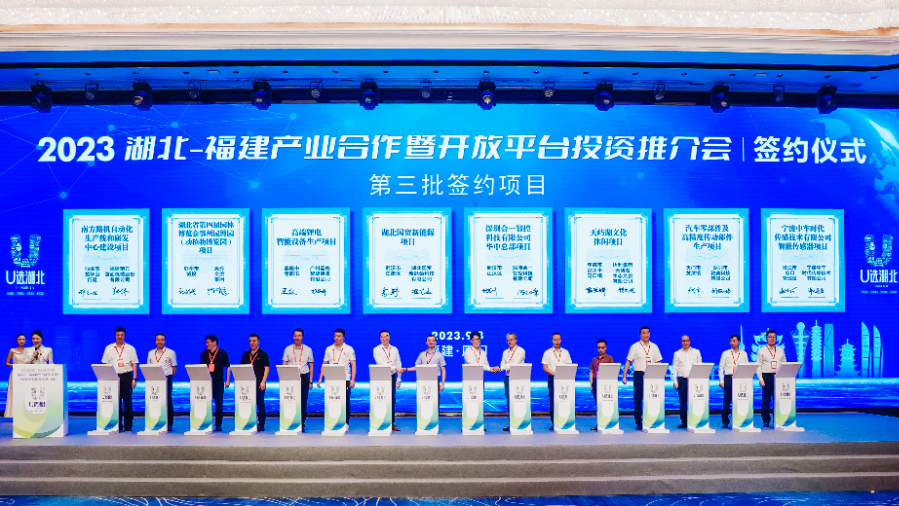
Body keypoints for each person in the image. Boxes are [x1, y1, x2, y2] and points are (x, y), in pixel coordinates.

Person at [623, 326, 662, 431]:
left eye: (648, 332)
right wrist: (624, 376)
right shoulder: (635, 347)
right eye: (644, 333)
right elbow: (628, 361)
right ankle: (638, 421)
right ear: (640, 335)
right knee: (638, 398)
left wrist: (659, 375)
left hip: (651, 375)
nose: (646, 335)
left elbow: (658, 362)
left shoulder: (654, 347)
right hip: (639, 374)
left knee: (652, 398)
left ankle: (651, 419)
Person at [101, 326, 139, 431]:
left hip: (127, 376)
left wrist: (134, 379)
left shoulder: (130, 348)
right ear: (115, 336)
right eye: (118, 335)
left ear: (124, 336)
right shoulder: (108, 348)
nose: (120, 337)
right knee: (115, 402)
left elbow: (134, 364)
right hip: (113, 377)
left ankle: (128, 425)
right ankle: (117, 424)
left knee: (127, 402)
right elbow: (105, 364)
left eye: (122, 335)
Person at [317, 328, 356, 426]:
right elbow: (324, 364)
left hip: (345, 379)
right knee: (332, 400)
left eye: (339, 336)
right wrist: (320, 378)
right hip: (331, 379)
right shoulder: (329, 349)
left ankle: (345, 423)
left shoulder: (349, 349)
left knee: (345, 401)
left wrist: (353, 379)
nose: (336, 338)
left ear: (343, 337)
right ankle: (332, 421)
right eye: (335, 336)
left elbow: (353, 364)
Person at [401, 334, 447, 414]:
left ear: (435, 342)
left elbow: (443, 370)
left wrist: (442, 384)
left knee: (435, 402)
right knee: (424, 401)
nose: (431, 342)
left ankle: (435, 419)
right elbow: (417, 367)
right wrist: (406, 369)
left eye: (432, 340)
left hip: (435, 380)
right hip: (423, 381)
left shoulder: (439, 355)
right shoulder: (422, 355)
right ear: (426, 342)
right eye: (429, 340)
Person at [491, 332, 525, 431]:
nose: (510, 342)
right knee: (510, 402)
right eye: (508, 340)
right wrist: (499, 368)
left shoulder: (520, 351)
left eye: (511, 340)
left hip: (518, 379)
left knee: (518, 401)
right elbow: (503, 363)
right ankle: (512, 424)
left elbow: (513, 364)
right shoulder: (505, 352)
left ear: (516, 340)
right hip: (508, 378)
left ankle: (520, 423)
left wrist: (499, 368)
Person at [282, 328, 314, 430]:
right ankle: (290, 421)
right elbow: (284, 363)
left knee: (303, 401)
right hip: (291, 377)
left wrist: (310, 381)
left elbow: (311, 366)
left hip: (303, 377)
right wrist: (284, 378)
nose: (297, 337)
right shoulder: (288, 349)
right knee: (291, 400)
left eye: (299, 336)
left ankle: (302, 423)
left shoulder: (308, 350)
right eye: (295, 335)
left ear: (302, 337)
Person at [372, 330, 402, 431]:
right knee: (381, 399)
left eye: (387, 336)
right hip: (380, 377)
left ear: (389, 337)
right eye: (383, 337)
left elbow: (398, 363)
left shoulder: (394, 349)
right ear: (380, 338)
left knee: (392, 400)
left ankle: (391, 423)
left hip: (392, 376)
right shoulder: (376, 349)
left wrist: (399, 378)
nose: (385, 338)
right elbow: (381, 364)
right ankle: (380, 422)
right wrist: (394, 368)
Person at [541, 332, 572, 431]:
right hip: (552, 378)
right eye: (555, 340)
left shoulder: (566, 352)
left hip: (564, 379)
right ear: (552, 341)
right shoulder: (547, 353)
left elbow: (569, 365)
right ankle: (554, 422)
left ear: (561, 340)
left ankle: (564, 421)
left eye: (558, 339)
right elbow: (545, 367)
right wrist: (555, 374)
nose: (557, 341)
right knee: (553, 400)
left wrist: (562, 375)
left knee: (564, 399)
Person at [757, 329, 787, 428]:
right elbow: (758, 366)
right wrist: (760, 379)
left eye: (774, 337)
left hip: (778, 377)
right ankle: (766, 420)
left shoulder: (780, 350)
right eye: (770, 337)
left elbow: (784, 364)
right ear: (766, 338)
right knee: (766, 400)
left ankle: (777, 420)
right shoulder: (762, 350)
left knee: (778, 399)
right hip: (766, 377)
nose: (772, 339)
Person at [147, 333, 177, 432]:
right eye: (158, 339)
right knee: (155, 400)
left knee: (167, 400)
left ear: (165, 341)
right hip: (154, 379)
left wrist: (170, 377)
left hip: (166, 378)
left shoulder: (171, 352)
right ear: (155, 341)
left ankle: (169, 423)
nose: (160, 341)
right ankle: (156, 420)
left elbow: (174, 367)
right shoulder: (151, 353)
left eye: (162, 340)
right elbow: (149, 366)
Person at [240, 333, 270, 431]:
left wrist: (263, 381)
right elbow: (241, 368)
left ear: (258, 342)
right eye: (250, 341)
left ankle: (261, 424)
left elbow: (266, 368)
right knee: (248, 403)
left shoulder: (263, 354)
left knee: (260, 403)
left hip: (259, 383)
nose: (252, 343)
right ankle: (248, 421)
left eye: (254, 341)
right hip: (247, 384)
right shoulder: (245, 354)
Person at [201, 334, 231, 432]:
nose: (207, 344)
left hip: (218, 382)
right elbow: (201, 368)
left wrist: (227, 380)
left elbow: (228, 367)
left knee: (219, 403)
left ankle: (218, 424)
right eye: (206, 343)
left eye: (208, 342)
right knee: (205, 403)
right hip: (206, 382)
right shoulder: (204, 353)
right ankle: (205, 422)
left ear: (214, 342)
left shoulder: (222, 353)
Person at [718, 333, 748, 429]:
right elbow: (720, 368)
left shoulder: (744, 354)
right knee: (727, 401)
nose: (732, 343)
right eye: (730, 341)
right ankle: (725, 421)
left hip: (740, 379)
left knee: (740, 400)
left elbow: (746, 367)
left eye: (734, 341)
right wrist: (721, 380)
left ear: (738, 342)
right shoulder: (725, 353)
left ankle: (739, 419)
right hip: (729, 378)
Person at [672, 335, 702, 429]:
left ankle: (695, 420)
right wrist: (675, 381)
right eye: (683, 341)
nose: (685, 343)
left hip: (694, 380)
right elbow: (675, 368)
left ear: (690, 342)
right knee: (683, 401)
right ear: (681, 342)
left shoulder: (696, 352)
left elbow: (700, 366)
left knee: (695, 401)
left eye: (687, 341)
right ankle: (684, 421)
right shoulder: (677, 353)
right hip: (682, 380)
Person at [588, 339, 614, 430]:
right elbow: (591, 372)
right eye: (599, 348)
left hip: (606, 384)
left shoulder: (610, 359)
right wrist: (591, 384)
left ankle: (607, 422)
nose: (600, 349)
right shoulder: (594, 359)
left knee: (606, 404)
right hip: (596, 383)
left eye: (602, 348)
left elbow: (613, 371)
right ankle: (599, 423)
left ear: (606, 348)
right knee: (598, 404)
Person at [4, 334, 27, 418]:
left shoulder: (28, 351)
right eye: (20, 339)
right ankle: (12, 414)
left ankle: (24, 414)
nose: (21, 341)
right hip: (15, 373)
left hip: (25, 374)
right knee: (14, 392)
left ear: (25, 341)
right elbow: (7, 363)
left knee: (24, 392)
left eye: (23, 339)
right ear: (17, 340)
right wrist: (15, 365)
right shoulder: (12, 351)